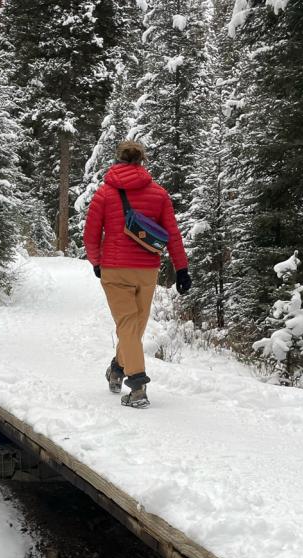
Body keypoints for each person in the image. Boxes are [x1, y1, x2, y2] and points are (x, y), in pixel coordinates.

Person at [83, 140, 191, 408]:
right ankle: (119, 371)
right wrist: (182, 268)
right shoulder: (159, 194)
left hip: (115, 270)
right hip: (146, 271)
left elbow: (91, 234)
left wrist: (97, 262)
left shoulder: (104, 194)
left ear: (118, 160)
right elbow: (173, 235)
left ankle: (137, 386)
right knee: (134, 326)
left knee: (129, 327)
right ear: (142, 161)